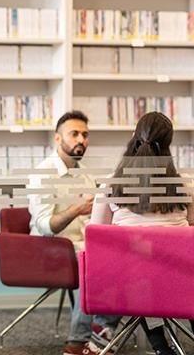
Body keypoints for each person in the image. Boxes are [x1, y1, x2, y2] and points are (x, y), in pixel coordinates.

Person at [90, 111, 194, 355]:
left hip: (128, 286)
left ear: (133, 137)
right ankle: (161, 345)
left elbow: (95, 240)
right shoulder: (185, 190)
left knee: (141, 274)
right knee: (158, 272)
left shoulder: (110, 187)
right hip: (181, 284)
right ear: (168, 146)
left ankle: (159, 346)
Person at [28, 110, 120, 355]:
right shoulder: (43, 174)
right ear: (58, 139)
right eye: (74, 134)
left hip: (81, 246)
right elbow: (44, 225)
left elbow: (94, 219)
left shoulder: (86, 174)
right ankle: (79, 342)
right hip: (49, 249)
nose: (81, 139)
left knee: (118, 262)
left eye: (85, 135)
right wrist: (77, 209)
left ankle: (99, 337)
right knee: (92, 263)